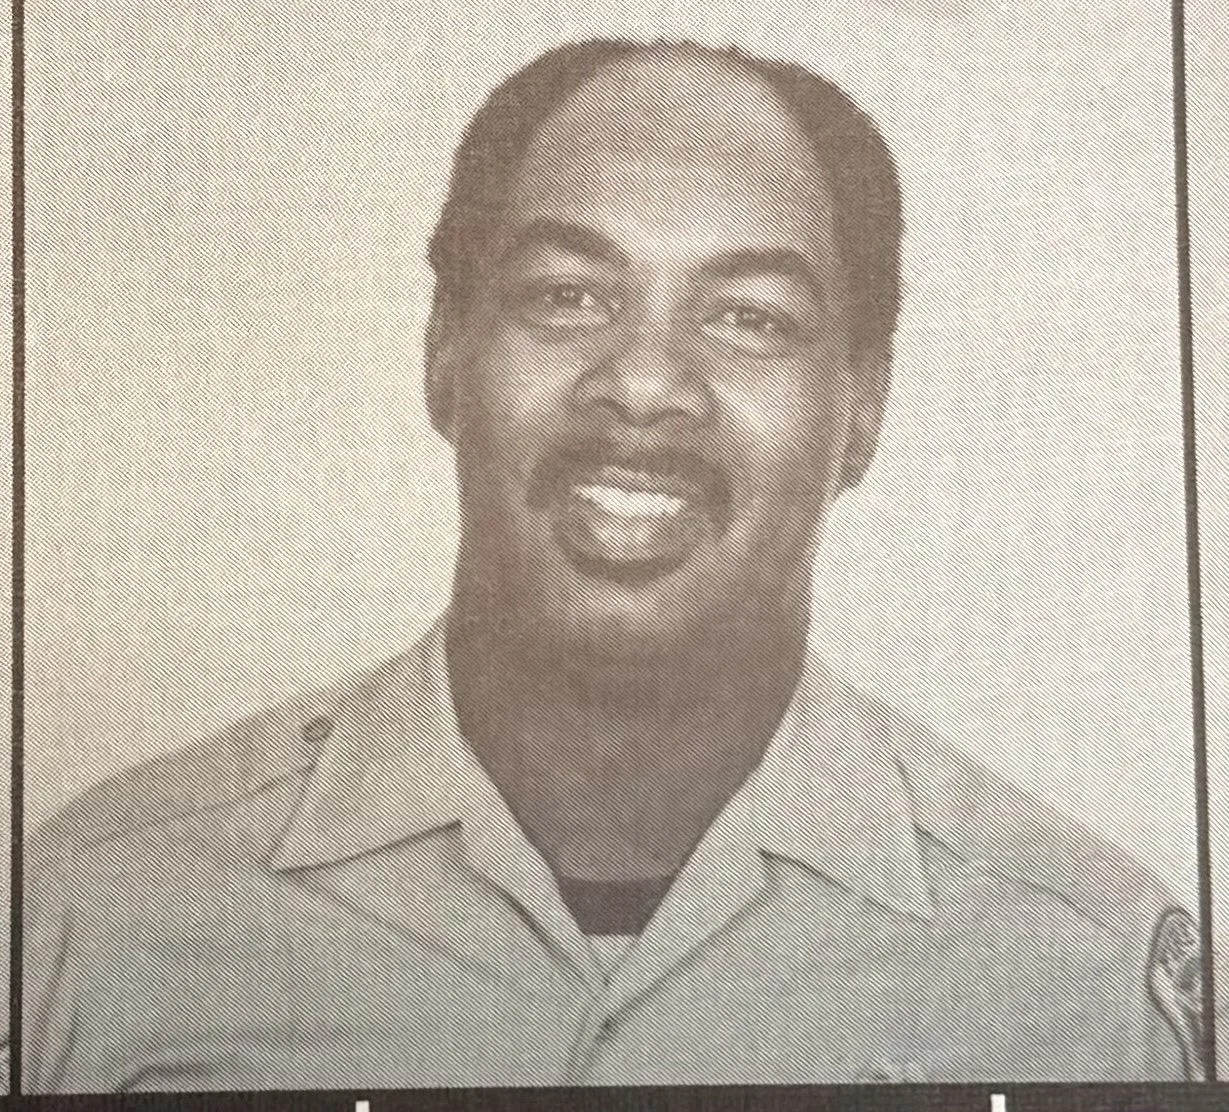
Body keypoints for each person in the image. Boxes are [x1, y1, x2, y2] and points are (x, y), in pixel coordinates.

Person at [19, 38, 1204, 1091]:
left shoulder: (1079, 975)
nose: (641, 383)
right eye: (567, 295)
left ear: (861, 409)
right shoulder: (98, 915)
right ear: (444, 354)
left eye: (746, 315)